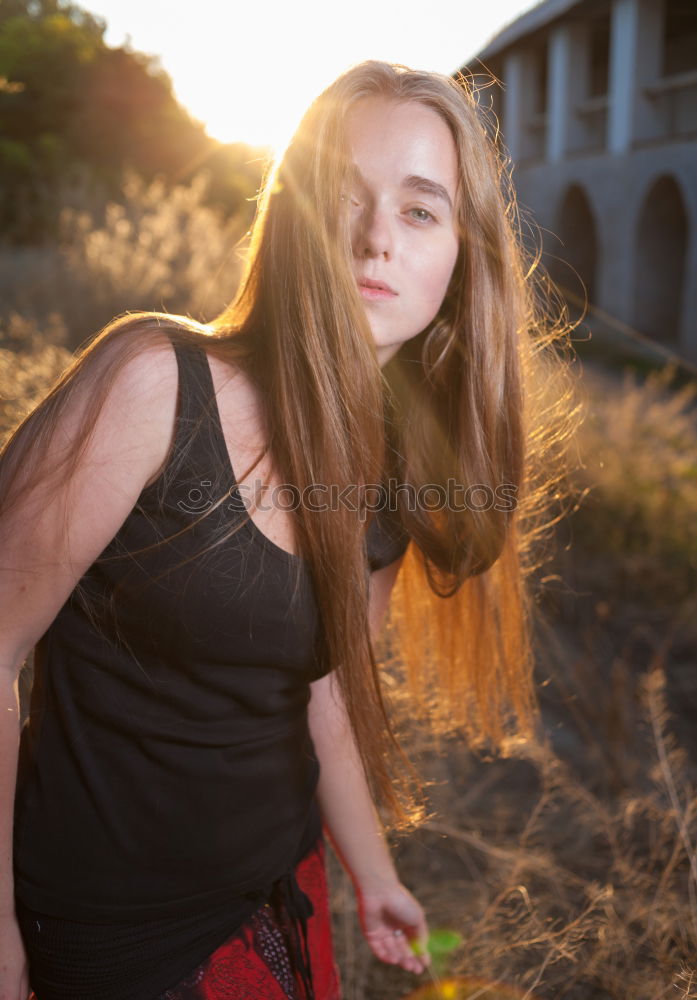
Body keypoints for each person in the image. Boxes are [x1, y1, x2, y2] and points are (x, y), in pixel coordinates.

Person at [0, 60, 577, 1000]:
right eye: (340, 197)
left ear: (462, 259)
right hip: (108, 936)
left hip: (275, 899)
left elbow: (326, 696)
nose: (374, 238)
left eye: (421, 210)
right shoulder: (153, 382)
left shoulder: (394, 474)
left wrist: (375, 876)